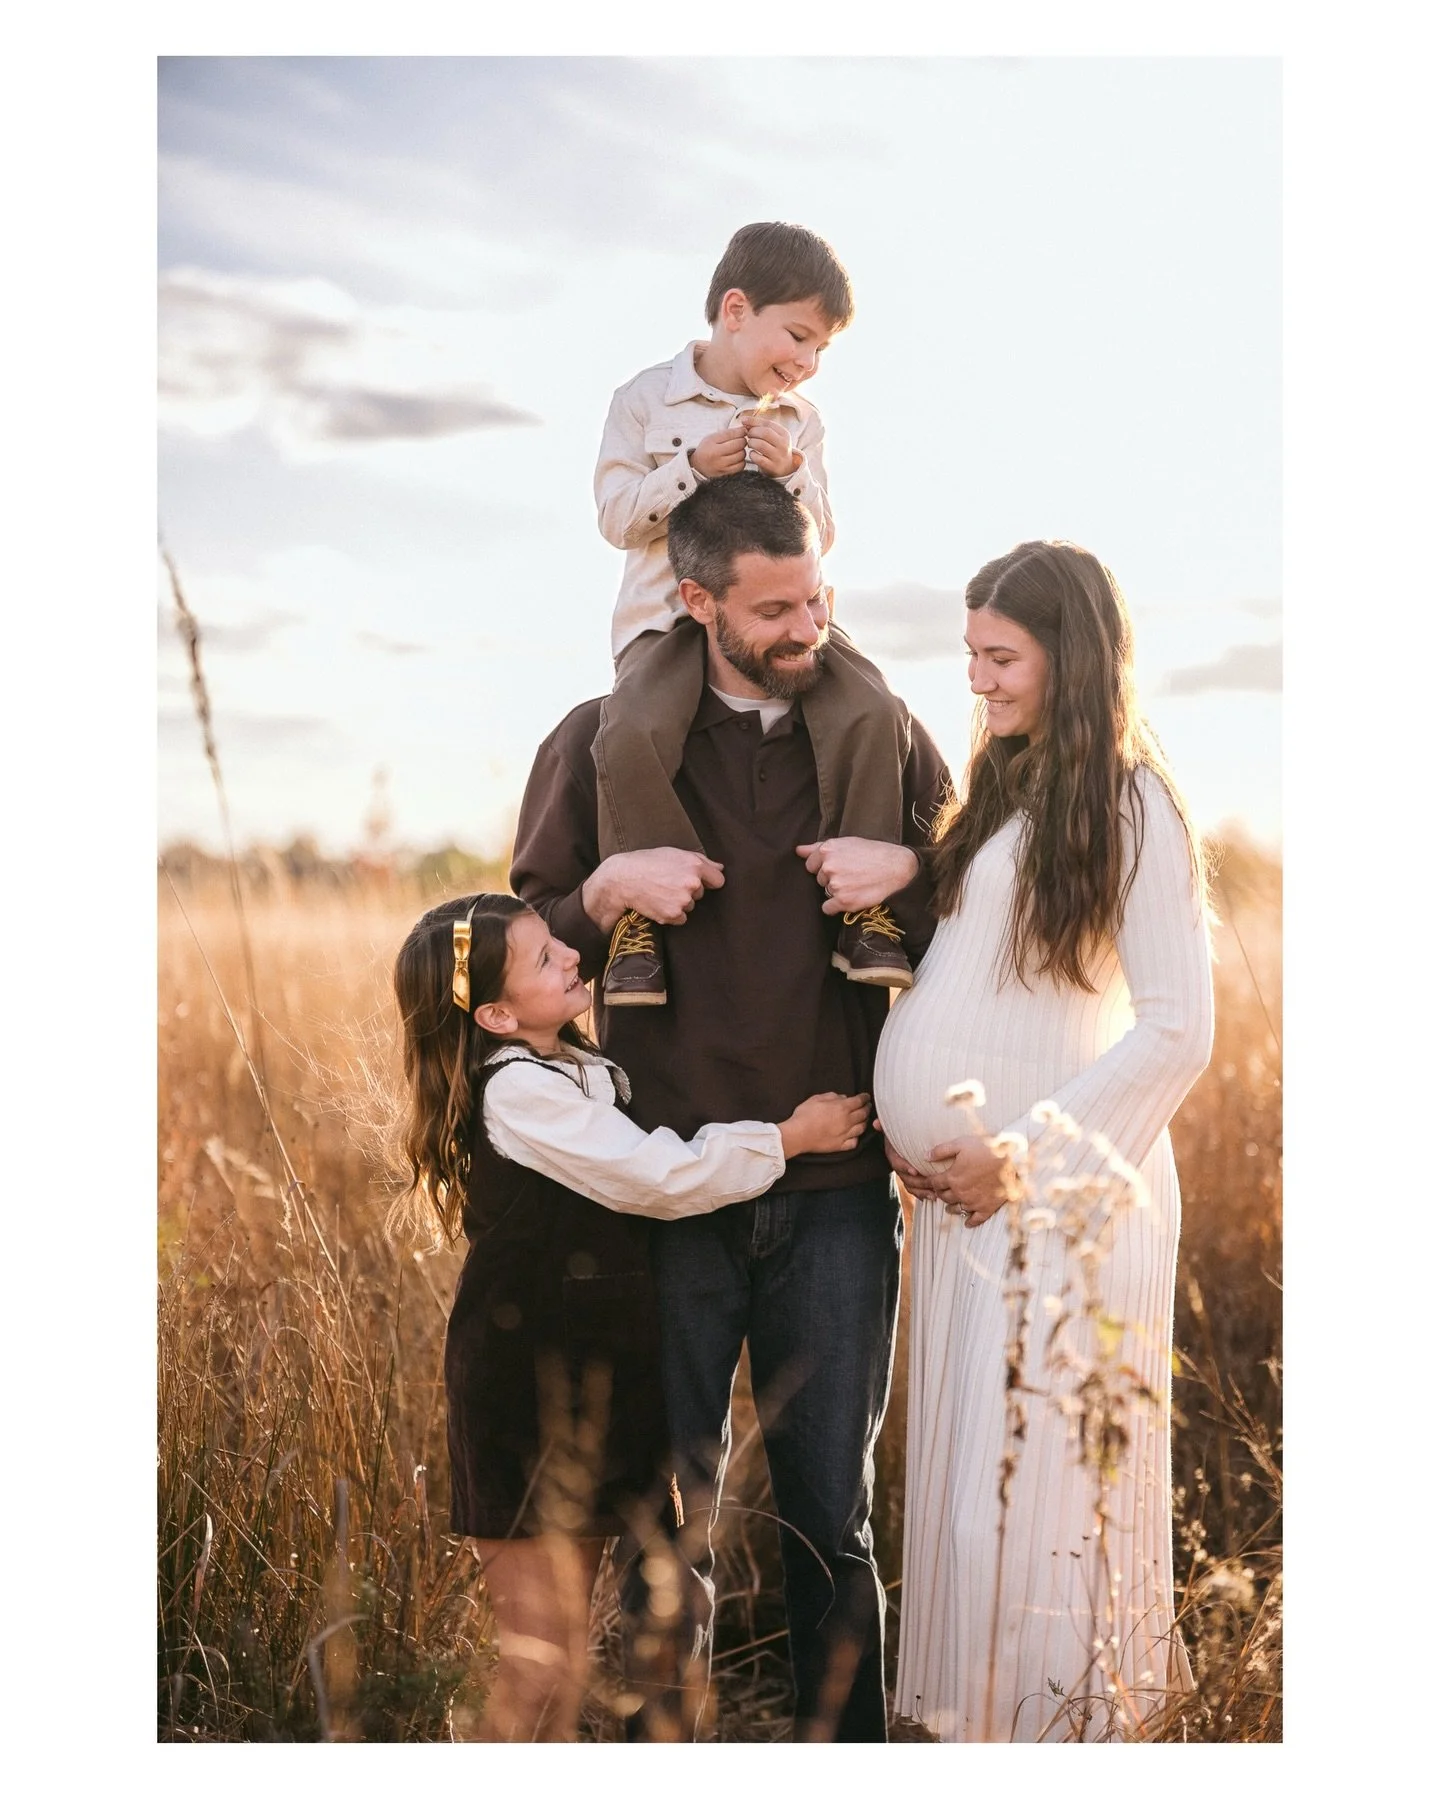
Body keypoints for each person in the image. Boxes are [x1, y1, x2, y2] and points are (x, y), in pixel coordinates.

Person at [509, 473, 950, 1741]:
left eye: (815, 595)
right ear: (697, 602)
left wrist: (911, 866)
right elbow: (516, 963)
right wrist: (603, 894)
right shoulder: (600, 741)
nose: (805, 624)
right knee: (665, 1520)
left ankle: (846, 1755)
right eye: (772, 607)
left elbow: (974, 920)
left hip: (834, 1196)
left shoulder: (885, 731)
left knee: (831, 1515)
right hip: (667, 1190)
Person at [872, 540, 1215, 1742]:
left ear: (1072, 657)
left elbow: (1178, 1033)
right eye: (970, 655)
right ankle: (975, 1739)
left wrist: (1020, 1153)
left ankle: (1067, 1746)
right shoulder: (1008, 792)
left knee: (1045, 1508)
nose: (979, 681)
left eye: (1001, 657)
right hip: (972, 1213)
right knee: (974, 1508)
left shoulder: (1133, 803)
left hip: (1065, 1203)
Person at [389, 891, 871, 1742]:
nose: (573, 954)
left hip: (588, 1388)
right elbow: (658, 1175)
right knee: (540, 1672)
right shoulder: (519, 1096)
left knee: (566, 1660)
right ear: (497, 1014)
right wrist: (788, 1136)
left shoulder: (576, 1068)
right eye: (545, 958)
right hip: (525, 1396)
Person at [592, 219, 916, 1004]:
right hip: (669, 620)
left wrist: (794, 475)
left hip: (779, 619)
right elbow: (615, 519)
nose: (805, 363)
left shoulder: (801, 422)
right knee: (630, 727)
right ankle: (642, 926)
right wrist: (688, 469)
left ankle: (866, 910)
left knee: (873, 705)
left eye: (820, 352)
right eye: (797, 336)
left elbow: (825, 535)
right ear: (735, 309)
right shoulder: (644, 399)